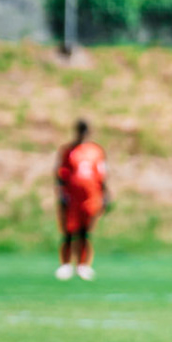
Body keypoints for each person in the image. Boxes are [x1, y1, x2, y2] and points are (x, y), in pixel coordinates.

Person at [54, 120, 109, 281]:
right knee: (69, 231)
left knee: (85, 232)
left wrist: (105, 195)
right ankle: (65, 264)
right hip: (73, 197)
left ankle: (83, 265)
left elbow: (102, 175)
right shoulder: (68, 151)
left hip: (91, 197)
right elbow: (60, 174)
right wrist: (62, 193)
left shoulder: (96, 151)